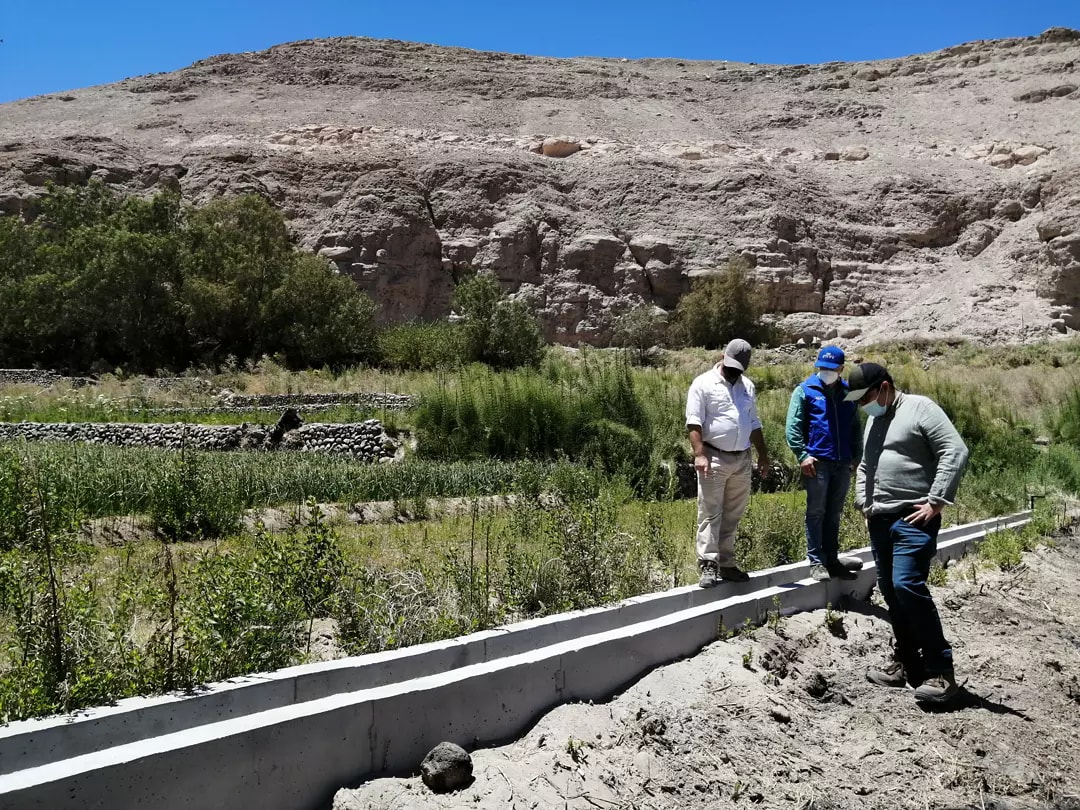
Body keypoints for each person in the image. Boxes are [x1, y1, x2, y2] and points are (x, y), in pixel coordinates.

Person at [846, 362, 969, 704]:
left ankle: (941, 671)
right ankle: (907, 662)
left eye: (866, 397)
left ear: (884, 388)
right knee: (890, 589)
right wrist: (864, 502)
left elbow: (954, 450)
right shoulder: (875, 420)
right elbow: (867, 465)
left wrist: (936, 501)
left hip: (913, 519)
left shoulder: (921, 409)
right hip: (880, 520)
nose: (863, 405)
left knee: (907, 585)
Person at [685, 338, 771, 588]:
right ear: (723, 357)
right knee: (710, 512)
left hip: (741, 458)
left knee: (733, 513)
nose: (734, 372)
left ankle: (727, 563)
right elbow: (694, 422)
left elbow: (754, 423)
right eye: (731, 367)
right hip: (713, 456)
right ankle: (708, 564)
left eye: (738, 369)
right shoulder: (703, 383)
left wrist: (763, 455)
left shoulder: (747, 386)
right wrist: (699, 454)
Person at [785, 346, 865, 581]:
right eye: (823, 368)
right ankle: (816, 561)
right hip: (817, 462)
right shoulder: (805, 390)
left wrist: (856, 456)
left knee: (834, 512)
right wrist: (802, 456)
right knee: (816, 511)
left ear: (841, 369)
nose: (826, 372)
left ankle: (832, 559)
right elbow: (793, 427)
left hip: (843, 462)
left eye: (831, 369)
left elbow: (855, 426)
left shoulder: (849, 393)